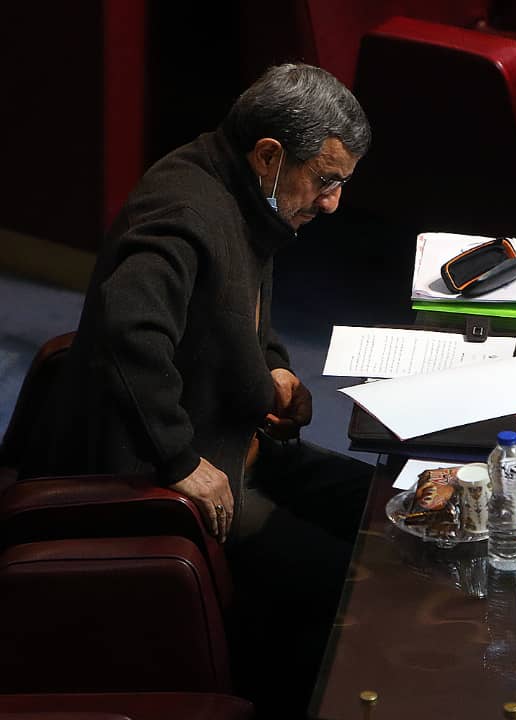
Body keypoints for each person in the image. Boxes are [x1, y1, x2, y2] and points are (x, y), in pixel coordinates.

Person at [22, 63, 374, 717]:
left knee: (381, 510)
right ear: (269, 156)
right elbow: (127, 326)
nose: (332, 203)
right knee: (350, 588)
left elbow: (235, 307)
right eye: (326, 180)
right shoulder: (186, 210)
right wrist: (179, 458)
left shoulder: (246, 196)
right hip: (174, 473)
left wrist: (272, 367)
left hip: (241, 437)